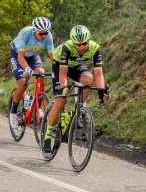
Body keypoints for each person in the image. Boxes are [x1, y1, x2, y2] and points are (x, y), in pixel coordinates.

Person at [42, 25, 109, 153]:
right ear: (73, 43)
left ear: (88, 41)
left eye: (84, 43)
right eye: (78, 45)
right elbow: (62, 74)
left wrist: (102, 91)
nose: (82, 46)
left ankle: (78, 109)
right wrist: (63, 89)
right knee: (61, 101)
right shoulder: (67, 47)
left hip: (76, 66)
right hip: (59, 65)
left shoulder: (95, 48)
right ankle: (48, 135)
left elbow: (99, 74)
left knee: (88, 81)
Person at [8, 16, 54, 130]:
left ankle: (37, 101)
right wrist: (27, 68)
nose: (43, 36)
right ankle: (13, 111)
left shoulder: (48, 37)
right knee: (23, 82)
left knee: (41, 73)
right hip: (18, 55)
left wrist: (57, 70)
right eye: (41, 34)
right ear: (34, 30)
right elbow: (20, 57)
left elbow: (52, 56)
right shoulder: (26, 33)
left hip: (32, 55)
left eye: (45, 33)